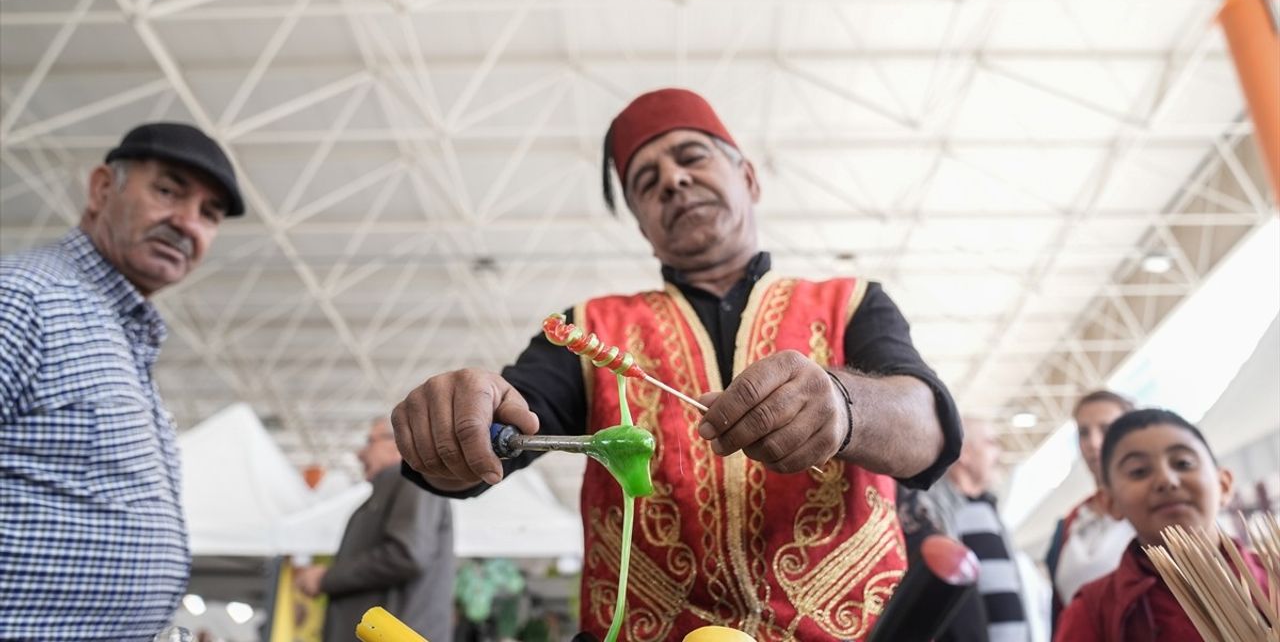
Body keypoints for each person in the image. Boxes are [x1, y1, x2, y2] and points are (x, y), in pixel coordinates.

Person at [392, 88, 962, 641]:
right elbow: (501, 433)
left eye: (692, 157)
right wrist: (453, 423)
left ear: (749, 177)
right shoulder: (588, 329)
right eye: (647, 181)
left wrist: (843, 404)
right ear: (643, 225)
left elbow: (929, 432)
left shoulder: (851, 303)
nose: (673, 179)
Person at [0, 123, 244, 641]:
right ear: (102, 189)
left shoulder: (119, 337)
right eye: (167, 190)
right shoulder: (25, 302)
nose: (187, 223)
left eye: (210, 214)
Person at [1055, 408, 1270, 641]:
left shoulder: (1272, 575)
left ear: (1224, 484)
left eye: (1183, 463)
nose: (1166, 480)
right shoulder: (1092, 612)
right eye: (1138, 471)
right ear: (1110, 502)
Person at [295, 417, 455, 642]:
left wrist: (326, 578)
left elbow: (407, 554)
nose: (361, 454)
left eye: (370, 442)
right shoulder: (393, 488)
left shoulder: (414, 481)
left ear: (400, 443)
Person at [897, 417, 1038, 642]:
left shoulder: (990, 511)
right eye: (990, 443)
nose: (999, 453)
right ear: (964, 453)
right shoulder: (930, 509)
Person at [1043, 390, 1135, 632]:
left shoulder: (1154, 512)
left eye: (1106, 429)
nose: (1093, 442)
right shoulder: (1069, 524)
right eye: (1084, 432)